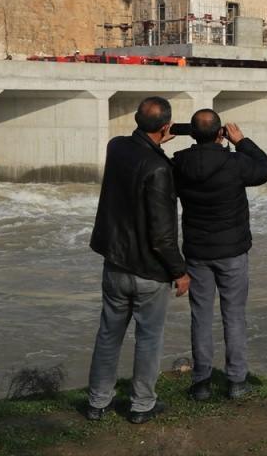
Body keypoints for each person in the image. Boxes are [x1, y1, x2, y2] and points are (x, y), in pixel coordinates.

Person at [85, 97, 190, 424]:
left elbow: (133, 144)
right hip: (148, 272)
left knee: (108, 334)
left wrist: (155, 140)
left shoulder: (117, 147)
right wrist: (180, 271)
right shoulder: (159, 168)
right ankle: (142, 406)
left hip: (115, 263)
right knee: (148, 339)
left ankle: (97, 403)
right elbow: (162, 234)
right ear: (165, 127)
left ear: (136, 119)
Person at [173, 110, 267, 401]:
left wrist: (160, 142)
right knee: (234, 316)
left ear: (193, 134)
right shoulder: (235, 163)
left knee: (201, 317)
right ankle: (236, 381)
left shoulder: (180, 163)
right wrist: (241, 141)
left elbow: (163, 177)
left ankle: (202, 382)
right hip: (232, 252)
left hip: (197, 253)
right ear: (221, 133)